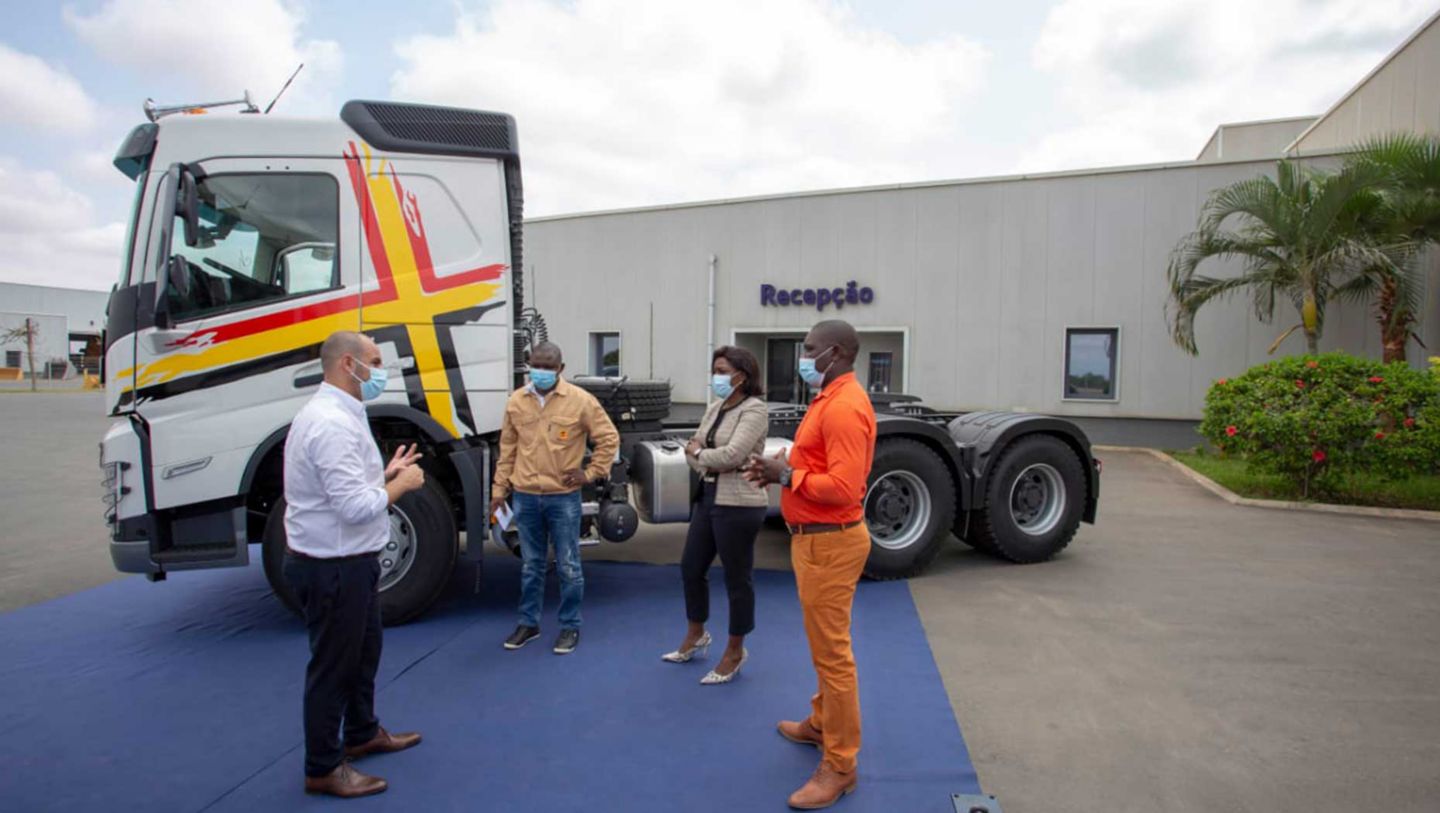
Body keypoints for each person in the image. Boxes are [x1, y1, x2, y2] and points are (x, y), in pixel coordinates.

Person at [282, 331, 426, 799]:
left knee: (364, 653)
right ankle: (323, 766)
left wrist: (384, 474)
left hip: (351, 562)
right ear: (349, 364)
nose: (382, 371)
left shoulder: (344, 412)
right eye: (376, 362)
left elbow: (343, 488)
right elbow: (354, 508)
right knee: (334, 668)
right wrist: (402, 485)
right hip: (332, 566)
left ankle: (362, 732)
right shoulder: (330, 423)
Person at [743, 320, 876, 810]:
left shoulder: (842, 407)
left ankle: (840, 766)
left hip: (830, 544)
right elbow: (818, 464)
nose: (803, 357)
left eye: (808, 348)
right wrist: (784, 468)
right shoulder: (829, 399)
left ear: (834, 352)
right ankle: (822, 725)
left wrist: (787, 475)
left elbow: (843, 487)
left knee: (833, 657)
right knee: (825, 649)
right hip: (816, 542)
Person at [490, 341, 620, 655]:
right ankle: (528, 623)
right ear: (528, 365)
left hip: (563, 498)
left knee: (568, 565)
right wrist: (498, 491)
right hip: (525, 497)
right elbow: (507, 450)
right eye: (536, 366)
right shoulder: (516, 402)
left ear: (560, 369)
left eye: (548, 367)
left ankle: (569, 625)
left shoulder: (580, 401)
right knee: (531, 565)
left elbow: (608, 438)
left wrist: (590, 473)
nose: (541, 372)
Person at [661, 346, 770, 684]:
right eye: (715, 370)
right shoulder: (715, 407)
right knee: (691, 568)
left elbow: (733, 455)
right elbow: (692, 449)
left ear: (742, 375)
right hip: (708, 496)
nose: (716, 377)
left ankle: (735, 651)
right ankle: (696, 634)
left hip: (740, 503)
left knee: (737, 578)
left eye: (723, 371)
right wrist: (704, 456)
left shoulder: (754, 410)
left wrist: (701, 455)